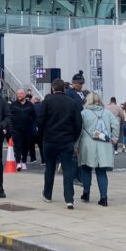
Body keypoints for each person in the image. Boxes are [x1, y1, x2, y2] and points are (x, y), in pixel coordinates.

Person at [37, 78, 83, 209]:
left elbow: (40, 121)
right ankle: (69, 199)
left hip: (50, 140)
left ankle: (47, 194)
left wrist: (43, 136)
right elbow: (78, 123)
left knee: (50, 168)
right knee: (68, 169)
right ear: (64, 89)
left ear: (53, 88)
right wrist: (73, 138)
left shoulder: (47, 101)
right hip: (66, 140)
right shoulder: (72, 103)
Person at [78, 92, 119, 205]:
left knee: (86, 169)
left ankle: (86, 193)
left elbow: (79, 129)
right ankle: (103, 197)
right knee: (101, 172)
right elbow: (116, 124)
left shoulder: (84, 113)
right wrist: (114, 137)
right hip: (103, 143)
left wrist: (76, 145)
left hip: (87, 144)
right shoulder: (107, 113)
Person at [9, 89, 38, 171]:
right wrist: (10, 128)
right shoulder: (13, 105)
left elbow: (35, 116)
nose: (19, 95)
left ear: (25, 94)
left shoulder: (30, 105)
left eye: (21, 93)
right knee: (17, 146)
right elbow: (9, 116)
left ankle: (24, 162)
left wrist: (35, 126)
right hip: (16, 129)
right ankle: (18, 162)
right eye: (18, 94)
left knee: (26, 146)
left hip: (28, 129)